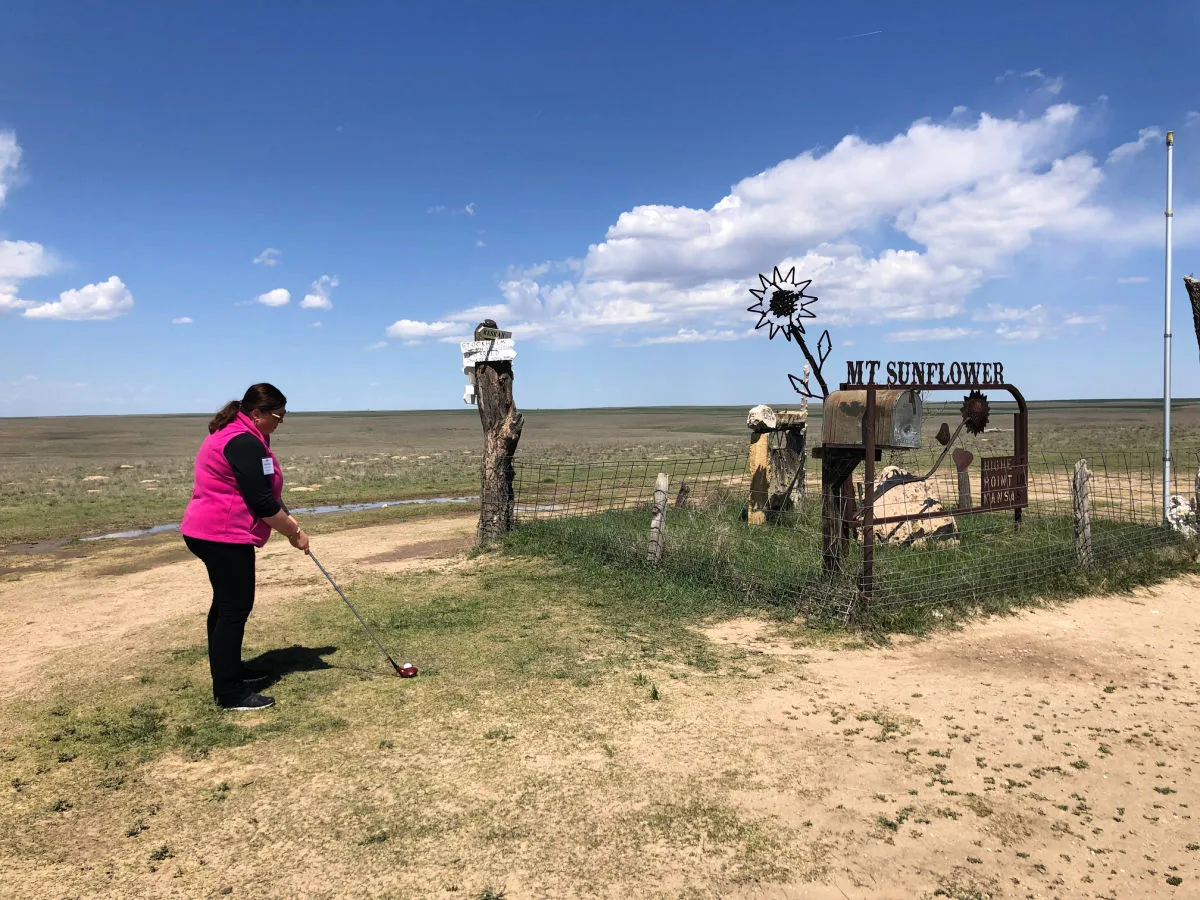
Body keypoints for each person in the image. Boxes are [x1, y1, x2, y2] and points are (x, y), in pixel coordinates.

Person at [180, 383, 310, 711]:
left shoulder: (245, 435)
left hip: (212, 531)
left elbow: (265, 490)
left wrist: (289, 519)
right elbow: (262, 502)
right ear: (257, 414)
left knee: (225, 607)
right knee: (234, 609)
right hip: (220, 534)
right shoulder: (241, 441)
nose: (281, 422)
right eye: (278, 416)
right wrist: (293, 531)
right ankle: (229, 692)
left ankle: (231, 671)